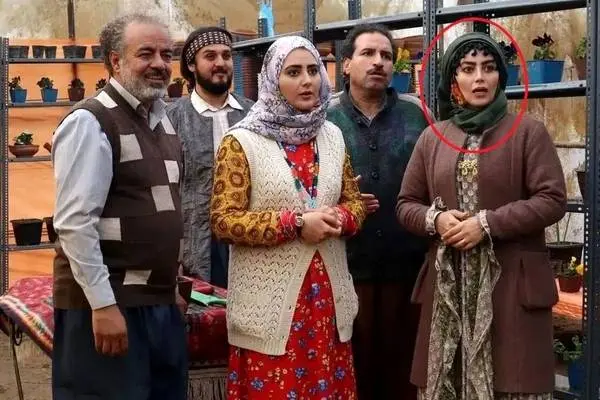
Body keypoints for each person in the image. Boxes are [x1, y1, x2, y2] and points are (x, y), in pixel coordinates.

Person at [396, 32, 566, 400]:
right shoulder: (433, 138)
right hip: (449, 289)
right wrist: (436, 220)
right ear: (453, 79)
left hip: (509, 286)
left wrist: (486, 224)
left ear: (500, 77)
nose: (479, 78)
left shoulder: (528, 133)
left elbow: (552, 199)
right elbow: (406, 204)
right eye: (468, 69)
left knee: (512, 382)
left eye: (488, 68)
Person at [210, 35, 366, 399]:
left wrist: (340, 218)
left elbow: (354, 202)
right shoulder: (241, 142)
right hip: (270, 311)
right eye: (293, 72)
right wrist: (295, 225)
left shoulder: (331, 135)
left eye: (313, 70)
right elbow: (223, 220)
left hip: (326, 308)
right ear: (272, 79)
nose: (307, 81)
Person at [51, 14, 188, 400]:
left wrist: (171, 287)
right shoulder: (90, 121)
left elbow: (166, 212)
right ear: (115, 61)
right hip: (109, 306)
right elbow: (76, 223)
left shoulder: (163, 122)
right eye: (146, 53)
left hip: (156, 304)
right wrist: (103, 305)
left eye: (167, 54)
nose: (160, 64)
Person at [326, 23, 431, 400]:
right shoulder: (324, 118)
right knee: (352, 375)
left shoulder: (416, 114)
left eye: (386, 55)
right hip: (346, 270)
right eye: (368, 53)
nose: (378, 62)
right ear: (346, 64)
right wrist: (341, 202)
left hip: (409, 270)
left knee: (404, 377)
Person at [167, 26, 254, 287]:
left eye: (226, 55)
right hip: (196, 243)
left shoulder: (253, 115)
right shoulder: (172, 119)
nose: (220, 63)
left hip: (248, 237)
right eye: (210, 56)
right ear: (191, 65)